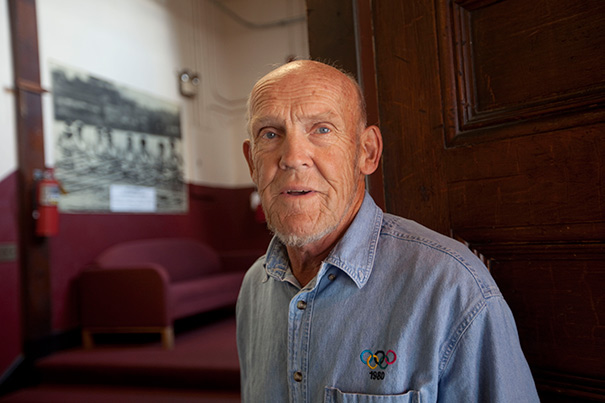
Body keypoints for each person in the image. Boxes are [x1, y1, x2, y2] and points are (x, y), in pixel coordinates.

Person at [236, 60, 539, 402]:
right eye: (270, 134)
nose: (292, 157)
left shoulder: (452, 286)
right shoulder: (253, 288)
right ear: (251, 162)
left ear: (367, 152)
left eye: (322, 129)